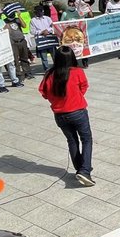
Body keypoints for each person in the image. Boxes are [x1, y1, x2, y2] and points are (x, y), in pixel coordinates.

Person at [38, 46, 94, 186]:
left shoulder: (49, 74)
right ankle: (85, 171)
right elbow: (84, 87)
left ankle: (80, 169)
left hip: (60, 115)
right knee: (86, 139)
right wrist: (76, 96)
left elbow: (43, 93)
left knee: (72, 141)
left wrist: (56, 100)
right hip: (78, 112)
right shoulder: (77, 72)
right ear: (72, 58)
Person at [29, 5, 59, 71]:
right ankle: (47, 69)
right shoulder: (33, 21)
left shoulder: (47, 18)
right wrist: (41, 32)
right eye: (38, 12)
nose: (40, 13)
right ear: (35, 12)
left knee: (54, 55)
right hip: (41, 40)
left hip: (50, 39)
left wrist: (47, 30)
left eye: (41, 11)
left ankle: (57, 68)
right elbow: (32, 31)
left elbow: (53, 27)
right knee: (44, 56)